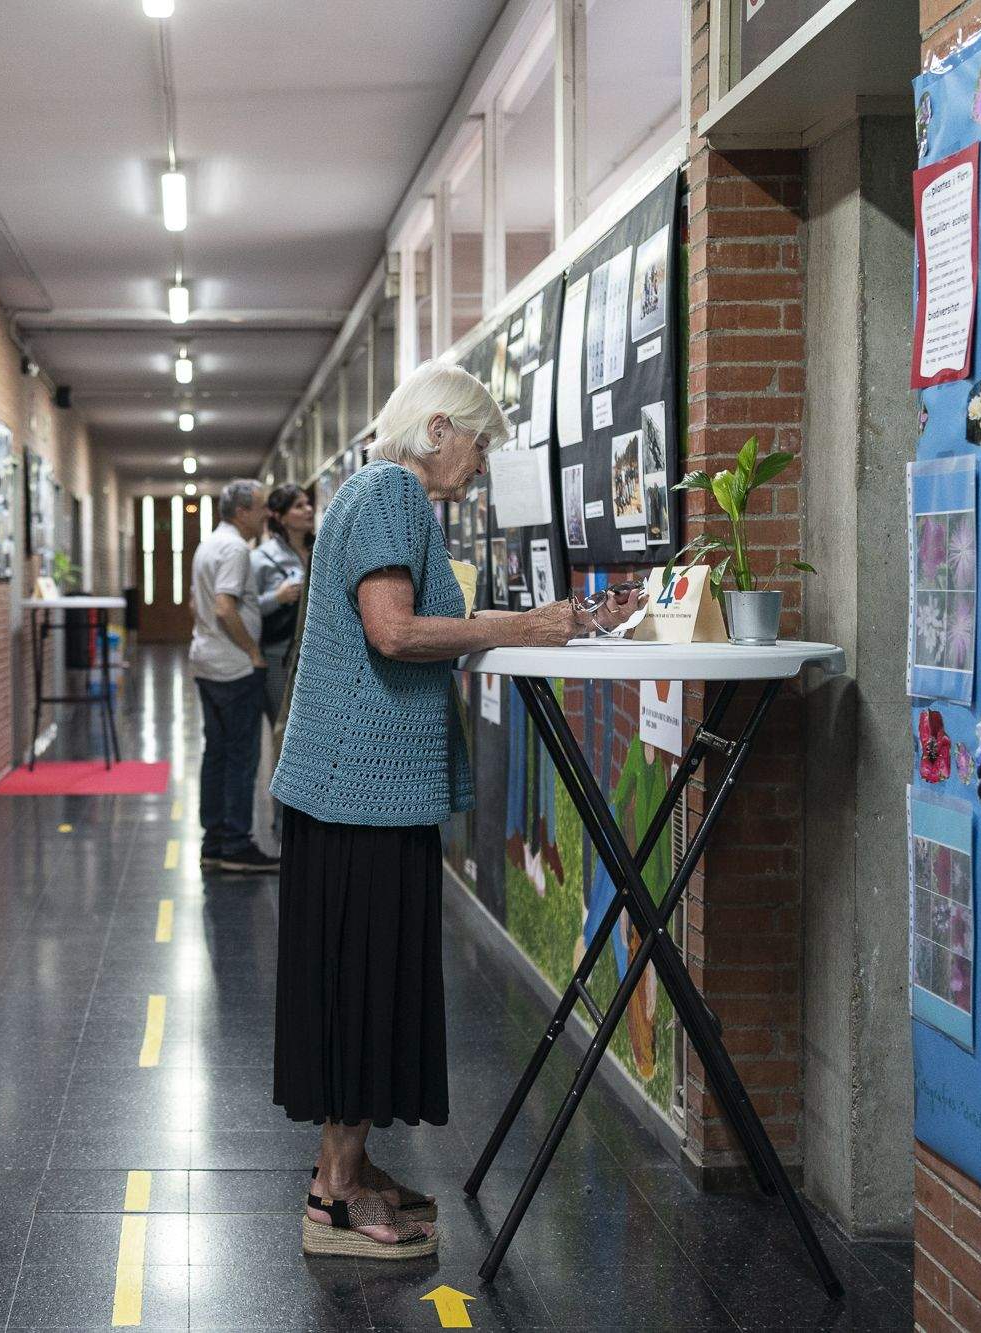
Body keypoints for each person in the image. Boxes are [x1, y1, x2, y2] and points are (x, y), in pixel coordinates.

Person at [270, 360, 640, 1260]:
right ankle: (335, 1198)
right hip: (360, 794)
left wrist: (540, 623)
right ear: (438, 429)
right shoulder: (391, 492)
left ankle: (345, 1169)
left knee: (361, 984)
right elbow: (393, 631)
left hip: (357, 789)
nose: (480, 466)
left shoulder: (376, 493)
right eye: (479, 445)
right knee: (361, 985)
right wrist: (526, 625)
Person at [188, 478, 279, 875]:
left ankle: (214, 841)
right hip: (234, 668)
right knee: (241, 757)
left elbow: (197, 604)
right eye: (261, 508)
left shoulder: (208, 544)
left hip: (207, 662)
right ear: (242, 512)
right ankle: (237, 844)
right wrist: (253, 652)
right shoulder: (237, 549)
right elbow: (224, 607)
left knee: (217, 753)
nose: (266, 515)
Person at [251, 484, 314, 721]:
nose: (308, 509)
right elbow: (249, 608)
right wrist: (277, 598)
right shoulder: (261, 558)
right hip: (279, 654)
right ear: (280, 517)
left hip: (317, 651)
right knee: (284, 721)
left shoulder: (320, 549)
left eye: (308, 503)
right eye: (299, 506)